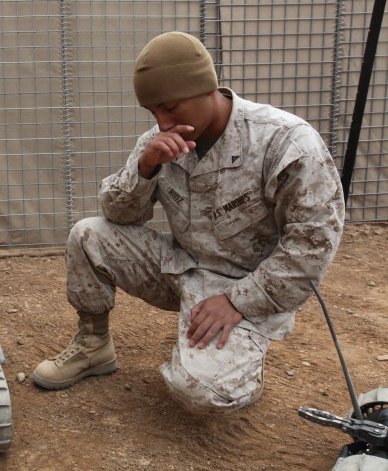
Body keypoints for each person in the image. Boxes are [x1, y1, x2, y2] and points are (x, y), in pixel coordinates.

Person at [31, 31, 345, 414]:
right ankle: (94, 346)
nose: (162, 121)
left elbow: (312, 245)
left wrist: (236, 301)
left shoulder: (284, 143)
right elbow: (118, 214)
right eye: (152, 113)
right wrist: (145, 169)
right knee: (88, 234)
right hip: (182, 266)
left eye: (170, 108)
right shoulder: (160, 139)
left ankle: (238, 365)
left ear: (206, 88)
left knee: (198, 391)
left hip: (245, 286)